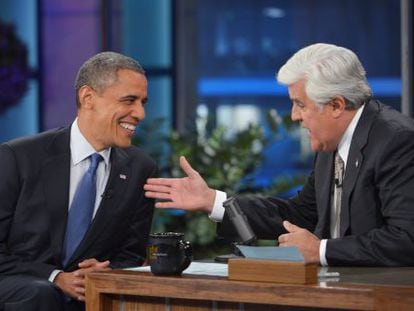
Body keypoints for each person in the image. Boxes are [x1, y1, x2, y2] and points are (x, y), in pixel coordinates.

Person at [145, 43, 414, 267]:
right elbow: (297, 215)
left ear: (336, 105)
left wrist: (320, 250)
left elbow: (406, 239)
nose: (294, 116)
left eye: (300, 104)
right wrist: (213, 201)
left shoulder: (398, 141)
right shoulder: (331, 144)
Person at [0, 51, 157, 311]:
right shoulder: (19, 157)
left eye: (143, 102)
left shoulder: (142, 168)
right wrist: (55, 277)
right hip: (23, 288)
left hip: (89, 297)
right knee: (41, 294)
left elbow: (130, 255)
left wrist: (103, 272)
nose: (139, 113)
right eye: (129, 100)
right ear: (88, 97)